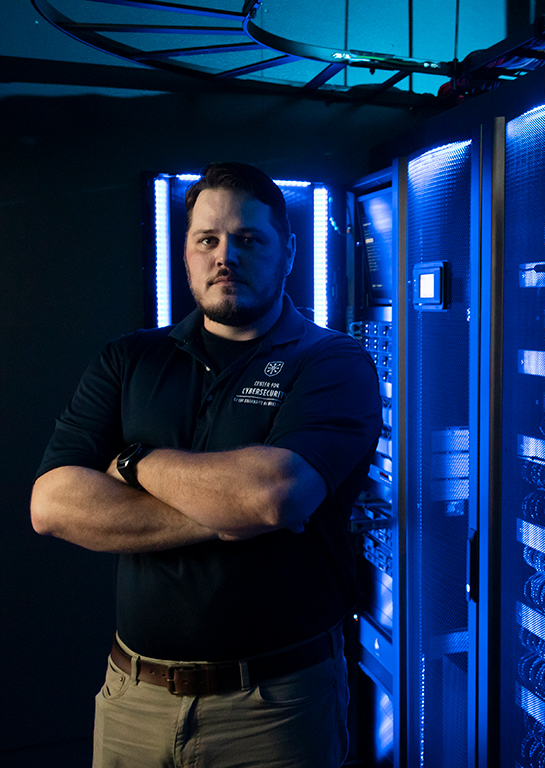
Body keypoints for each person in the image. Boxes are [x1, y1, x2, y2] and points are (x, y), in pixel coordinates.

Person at [31, 162, 382, 768]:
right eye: (208, 240)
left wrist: (132, 461)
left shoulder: (332, 361)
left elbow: (273, 495)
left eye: (249, 239)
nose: (227, 256)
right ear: (188, 253)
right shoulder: (129, 359)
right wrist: (229, 513)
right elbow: (51, 505)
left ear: (289, 251)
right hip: (132, 699)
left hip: (275, 707)